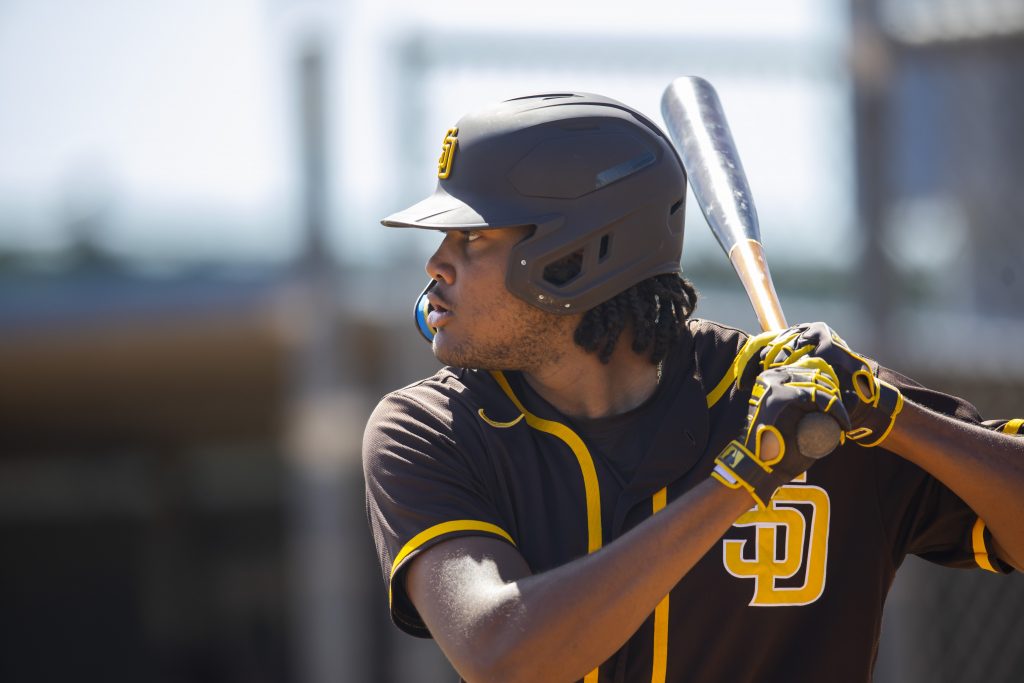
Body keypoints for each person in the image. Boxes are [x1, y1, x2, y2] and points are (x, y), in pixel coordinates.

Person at [362, 92, 1024, 683]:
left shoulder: (812, 401)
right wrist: (739, 483)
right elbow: (504, 654)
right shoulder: (433, 429)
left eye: (472, 236)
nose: (437, 262)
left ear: (575, 257)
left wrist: (894, 415)